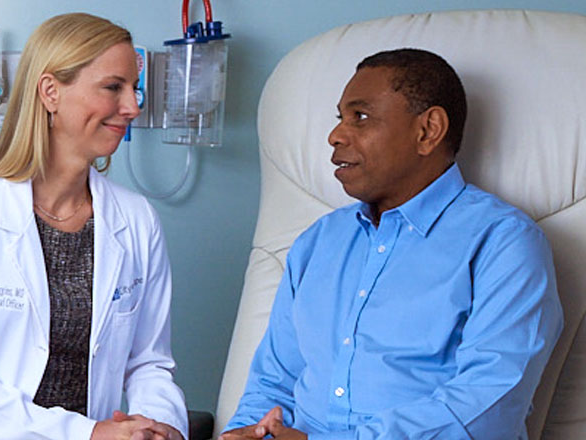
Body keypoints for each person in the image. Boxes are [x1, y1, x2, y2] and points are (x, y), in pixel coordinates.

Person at [222, 49, 564, 440]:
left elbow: (487, 409)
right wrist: (243, 433)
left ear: (428, 131)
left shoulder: (504, 244)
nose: (335, 135)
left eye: (360, 117)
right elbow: (273, 383)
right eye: (340, 118)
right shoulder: (317, 242)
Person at [0, 13, 187, 440]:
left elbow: (149, 363)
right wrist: (88, 433)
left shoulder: (136, 221)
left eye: (134, 89)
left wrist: (160, 427)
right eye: (113, 87)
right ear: (50, 92)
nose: (133, 106)